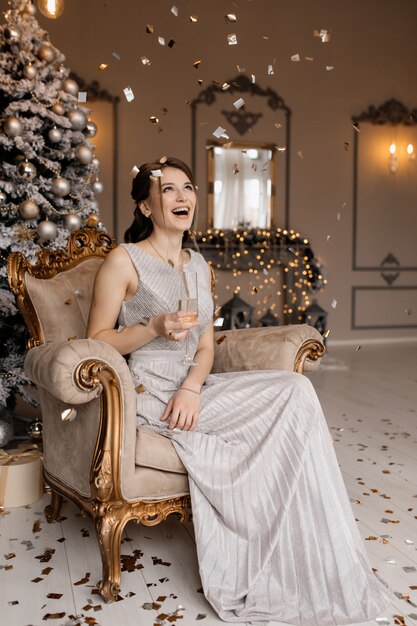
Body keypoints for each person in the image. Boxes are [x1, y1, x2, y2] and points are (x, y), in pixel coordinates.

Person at [87, 157, 391, 624]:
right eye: (168, 190)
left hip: (194, 390)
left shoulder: (199, 263)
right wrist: (151, 325)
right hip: (150, 395)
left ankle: (308, 545)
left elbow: (206, 347)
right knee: (289, 398)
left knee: (295, 390)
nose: (183, 196)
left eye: (187, 187)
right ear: (145, 205)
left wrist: (191, 387)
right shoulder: (123, 260)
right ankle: (264, 561)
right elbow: (97, 343)